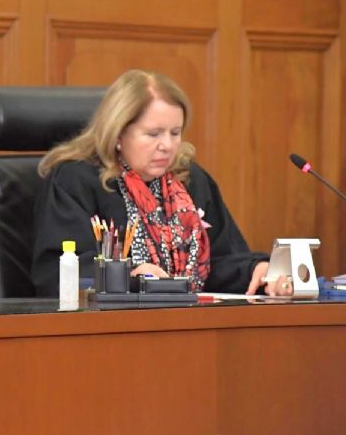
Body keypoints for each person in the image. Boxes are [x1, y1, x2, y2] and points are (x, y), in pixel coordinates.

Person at [31, 69, 292, 297]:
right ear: (118, 132)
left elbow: (221, 259)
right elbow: (60, 275)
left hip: (188, 326)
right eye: (153, 134)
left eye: (175, 133)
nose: (167, 146)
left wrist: (255, 269)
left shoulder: (190, 180)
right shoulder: (76, 180)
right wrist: (129, 278)